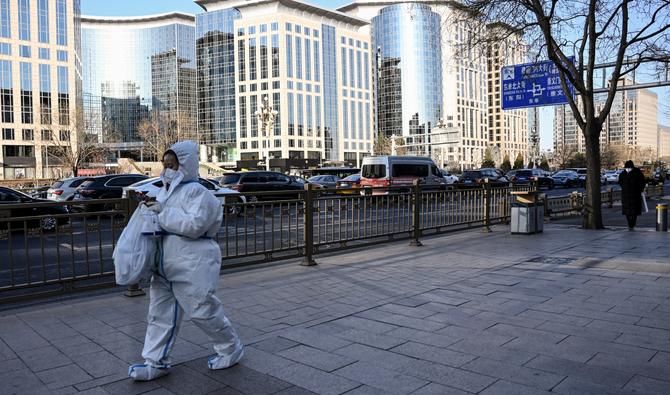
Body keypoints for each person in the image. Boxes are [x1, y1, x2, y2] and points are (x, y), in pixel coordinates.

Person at [128, 141, 244, 381]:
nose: (167, 169)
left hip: (193, 265)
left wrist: (161, 213)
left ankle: (230, 348)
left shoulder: (199, 193)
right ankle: (155, 361)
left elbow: (195, 226)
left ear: (186, 165)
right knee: (159, 315)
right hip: (164, 266)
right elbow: (165, 218)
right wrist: (152, 210)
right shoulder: (166, 191)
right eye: (165, 165)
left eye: (172, 165)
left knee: (204, 311)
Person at [618, 160, 646, 231]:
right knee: (626, 211)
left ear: (632, 167)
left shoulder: (638, 173)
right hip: (625, 195)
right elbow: (620, 183)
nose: (628, 169)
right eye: (626, 168)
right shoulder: (622, 174)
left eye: (629, 168)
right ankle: (630, 224)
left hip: (635, 195)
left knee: (634, 212)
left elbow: (642, 182)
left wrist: (640, 189)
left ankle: (632, 224)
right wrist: (624, 188)